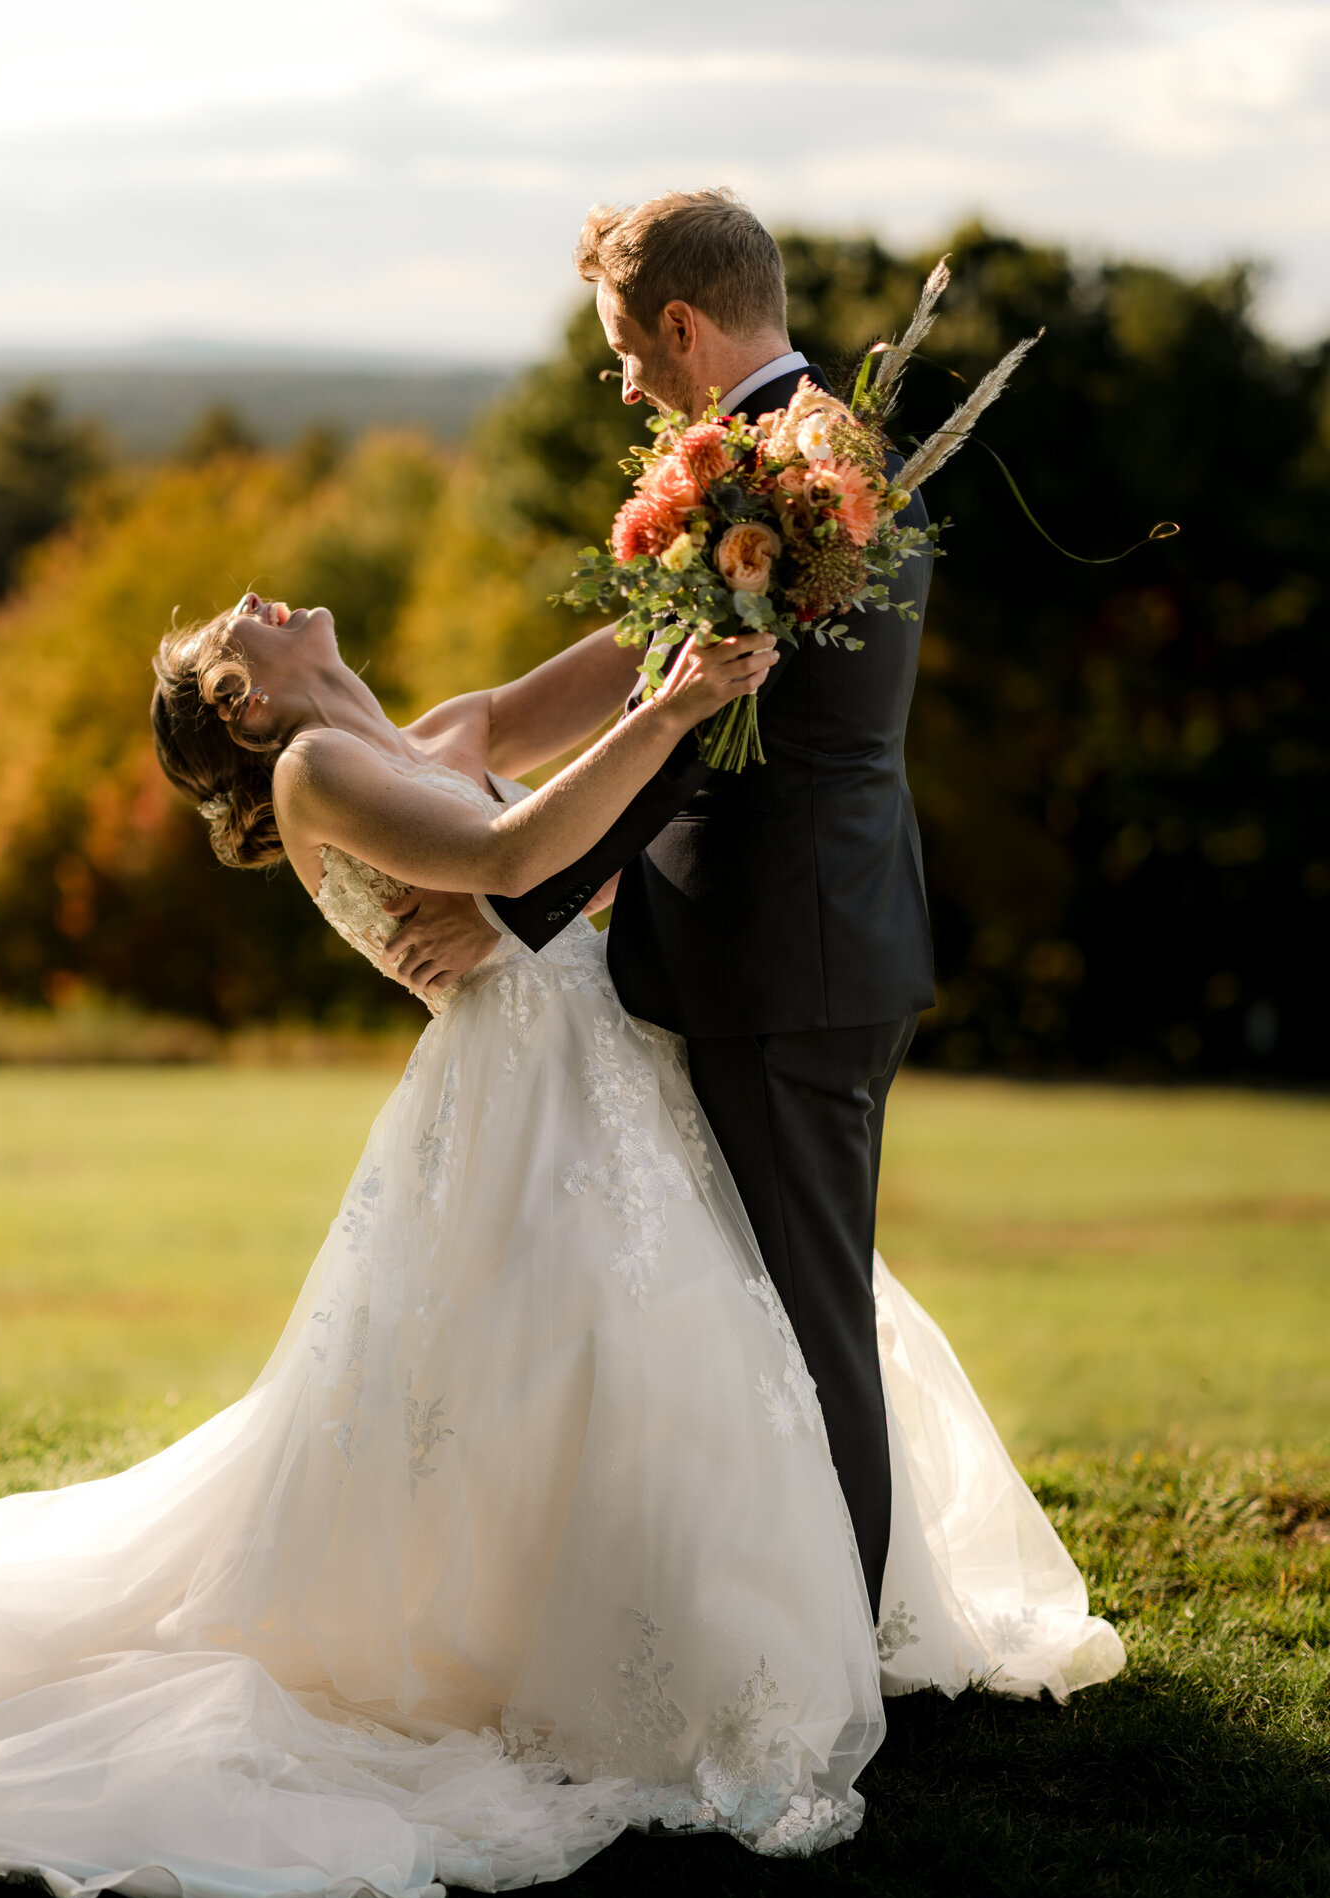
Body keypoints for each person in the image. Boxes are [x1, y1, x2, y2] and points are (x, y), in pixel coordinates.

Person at [0, 586, 1122, 1898]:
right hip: (530, 1098)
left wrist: (713, 576)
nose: (266, 598)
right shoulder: (318, 774)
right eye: (238, 621)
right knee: (606, 1363)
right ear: (244, 697)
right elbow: (515, 860)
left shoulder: (435, 728)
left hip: (615, 1061)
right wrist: (685, 699)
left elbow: (583, 679)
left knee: (705, 1350)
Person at [382, 190, 934, 1622]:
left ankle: (839, 1659)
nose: (621, 380)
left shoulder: (782, 479)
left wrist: (519, 906)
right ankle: (785, 1625)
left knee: (810, 1328)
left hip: (784, 955)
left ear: (685, 325)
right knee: (770, 1307)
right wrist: (497, 725)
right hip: (810, 932)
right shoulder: (821, 448)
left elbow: (691, 723)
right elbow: (666, 679)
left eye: (626, 350)